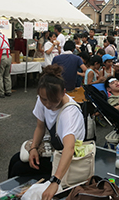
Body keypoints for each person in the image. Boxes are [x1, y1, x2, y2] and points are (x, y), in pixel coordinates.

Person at [7, 65, 85, 199]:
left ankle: (19, 195)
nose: (47, 104)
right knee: (15, 159)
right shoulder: (43, 98)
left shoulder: (69, 114)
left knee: (19, 168)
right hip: (56, 151)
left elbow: (69, 148)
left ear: (63, 92)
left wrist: (55, 182)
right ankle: (14, 195)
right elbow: (40, 126)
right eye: (43, 99)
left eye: (53, 99)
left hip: (69, 159)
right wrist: (33, 149)